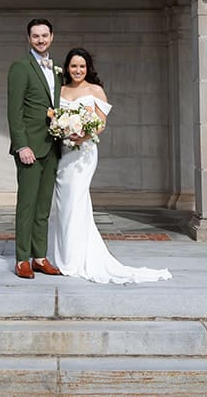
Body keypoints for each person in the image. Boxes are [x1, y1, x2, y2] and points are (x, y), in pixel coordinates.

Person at [46, 47, 171, 284]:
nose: (77, 70)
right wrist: (63, 127)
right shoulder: (59, 90)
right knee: (64, 203)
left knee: (76, 199)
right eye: (73, 66)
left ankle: (74, 260)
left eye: (82, 66)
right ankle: (63, 254)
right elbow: (53, 116)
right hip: (62, 152)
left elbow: (101, 124)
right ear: (67, 67)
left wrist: (83, 134)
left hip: (83, 153)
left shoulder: (95, 90)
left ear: (88, 67)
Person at [5, 18, 62, 279]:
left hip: (53, 146)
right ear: (29, 39)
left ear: (52, 37)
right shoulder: (20, 67)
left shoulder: (57, 70)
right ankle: (21, 260)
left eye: (44, 35)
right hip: (30, 147)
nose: (40, 40)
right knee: (26, 205)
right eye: (35, 36)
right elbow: (14, 111)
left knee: (43, 207)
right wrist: (21, 145)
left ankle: (40, 257)